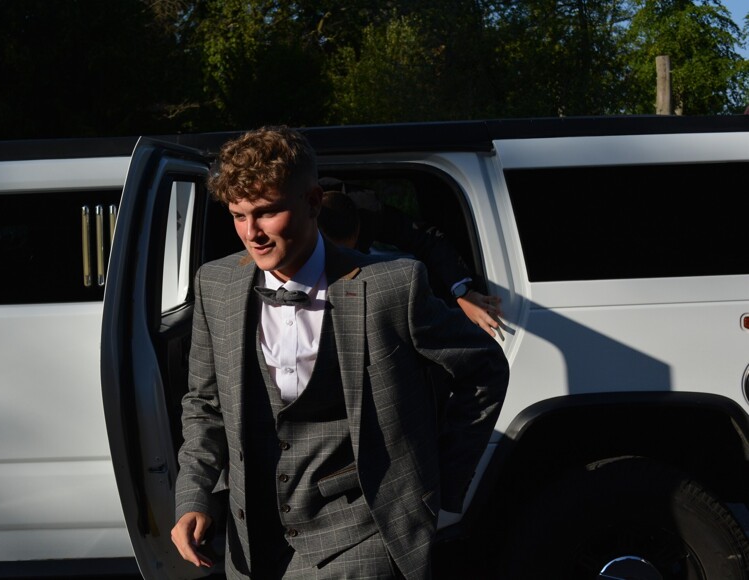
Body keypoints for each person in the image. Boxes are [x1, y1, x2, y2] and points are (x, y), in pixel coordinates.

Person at [170, 125, 510, 579]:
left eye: (267, 213)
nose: (252, 233)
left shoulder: (392, 285)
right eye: (238, 215)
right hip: (253, 543)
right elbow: (205, 404)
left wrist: (438, 482)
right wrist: (193, 496)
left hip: (363, 534)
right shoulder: (216, 284)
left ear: (313, 202)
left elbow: (484, 367)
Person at [317, 183, 503, 338]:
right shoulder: (302, 216)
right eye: (334, 255)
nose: (344, 262)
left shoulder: (366, 212)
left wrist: (463, 293)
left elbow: (426, 239)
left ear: (358, 233)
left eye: (351, 252)